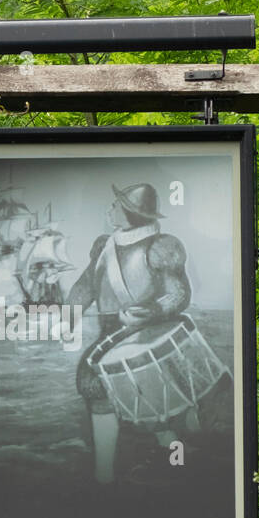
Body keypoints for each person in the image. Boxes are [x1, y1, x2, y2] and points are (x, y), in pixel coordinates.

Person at [66, 182, 192, 483]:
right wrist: (68, 314)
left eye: (116, 205)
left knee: (157, 414)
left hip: (146, 337)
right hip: (108, 338)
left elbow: (179, 293)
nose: (110, 209)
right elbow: (86, 285)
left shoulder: (162, 247)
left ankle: (180, 465)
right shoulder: (103, 246)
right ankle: (105, 476)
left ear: (131, 212)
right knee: (96, 387)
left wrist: (152, 311)